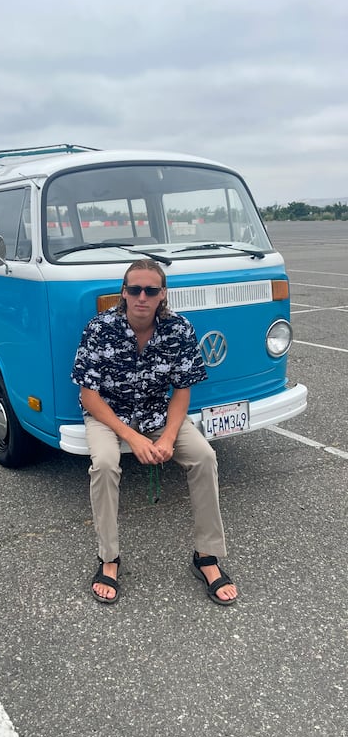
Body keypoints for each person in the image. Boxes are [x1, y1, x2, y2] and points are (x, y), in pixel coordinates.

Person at [71, 259, 238, 606]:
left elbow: (181, 389)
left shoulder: (179, 329)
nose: (142, 297)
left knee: (205, 457)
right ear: (124, 293)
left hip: (157, 414)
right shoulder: (100, 328)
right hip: (108, 415)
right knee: (104, 463)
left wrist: (166, 437)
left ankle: (207, 557)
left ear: (163, 294)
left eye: (150, 290)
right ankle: (109, 558)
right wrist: (132, 438)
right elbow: (89, 394)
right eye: (134, 289)